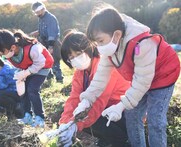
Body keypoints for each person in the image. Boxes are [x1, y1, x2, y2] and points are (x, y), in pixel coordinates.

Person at [73, 6, 180, 147]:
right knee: (132, 116)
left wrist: (121, 105)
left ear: (117, 35)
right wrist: (86, 101)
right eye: (96, 43)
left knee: (155, 121)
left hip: (163, 75)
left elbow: (142, 82)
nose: (99, 47)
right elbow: (100, 78)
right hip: (141, 76)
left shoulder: (142, 44)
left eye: (100, 40)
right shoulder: (110, 48)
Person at [57, 31, 130, 147]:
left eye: (78, 53)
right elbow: (74, 98)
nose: (76, 59)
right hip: (106, 109)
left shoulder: (105, 65)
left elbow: (100, 100)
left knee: (91, 120)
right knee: (81, 118)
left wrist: (75, 125)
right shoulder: (80, 73)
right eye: (71, 57)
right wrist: (65, 123)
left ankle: (122, 141)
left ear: (89, 47)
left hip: (124, 110)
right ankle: (109, 138)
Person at [0, 29, 54, 127]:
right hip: (27, 69)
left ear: (12, 47)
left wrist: (27, 72)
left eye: (2, 51)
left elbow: (40, 63)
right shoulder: (9, 55)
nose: (1, 54)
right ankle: (27, 115)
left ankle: (39, 117)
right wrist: (20, 73)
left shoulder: (32, 49)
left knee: (32, 90)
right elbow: (18, 64)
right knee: (23, 91)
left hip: (41, 68)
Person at [30, 1, 64, 83]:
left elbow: (52, 33)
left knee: (54, 62)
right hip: (44, 43)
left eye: (38, 12)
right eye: (36, 13)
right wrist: (37, 32)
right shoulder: (41, 18)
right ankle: (49, 78)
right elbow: (44, 29)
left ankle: (59, 80)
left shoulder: (50, 18)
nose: (37, 14)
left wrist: (50, 47)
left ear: (43, 9)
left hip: (52, 43)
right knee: (45, 62)